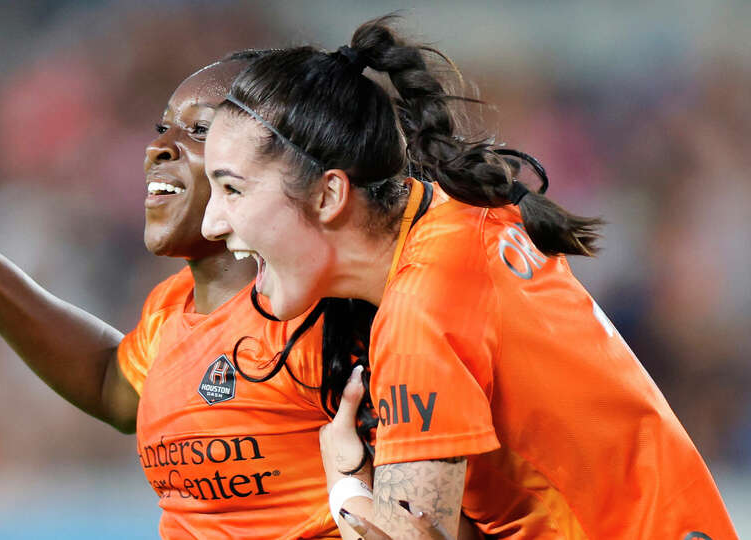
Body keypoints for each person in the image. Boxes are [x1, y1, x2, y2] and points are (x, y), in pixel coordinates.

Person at [201, 15, 738, 540]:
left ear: (328, 194)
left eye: (232, 190)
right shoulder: (461, 211)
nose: (211, 223)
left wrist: (345, 485)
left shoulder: (420, 314)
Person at [0, 55, 346, 539]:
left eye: (200, 130)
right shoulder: (172, 309)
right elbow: (112, 385)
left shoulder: (328, 314)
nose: (157, 149)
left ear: (286, 160)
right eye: (161, 128)